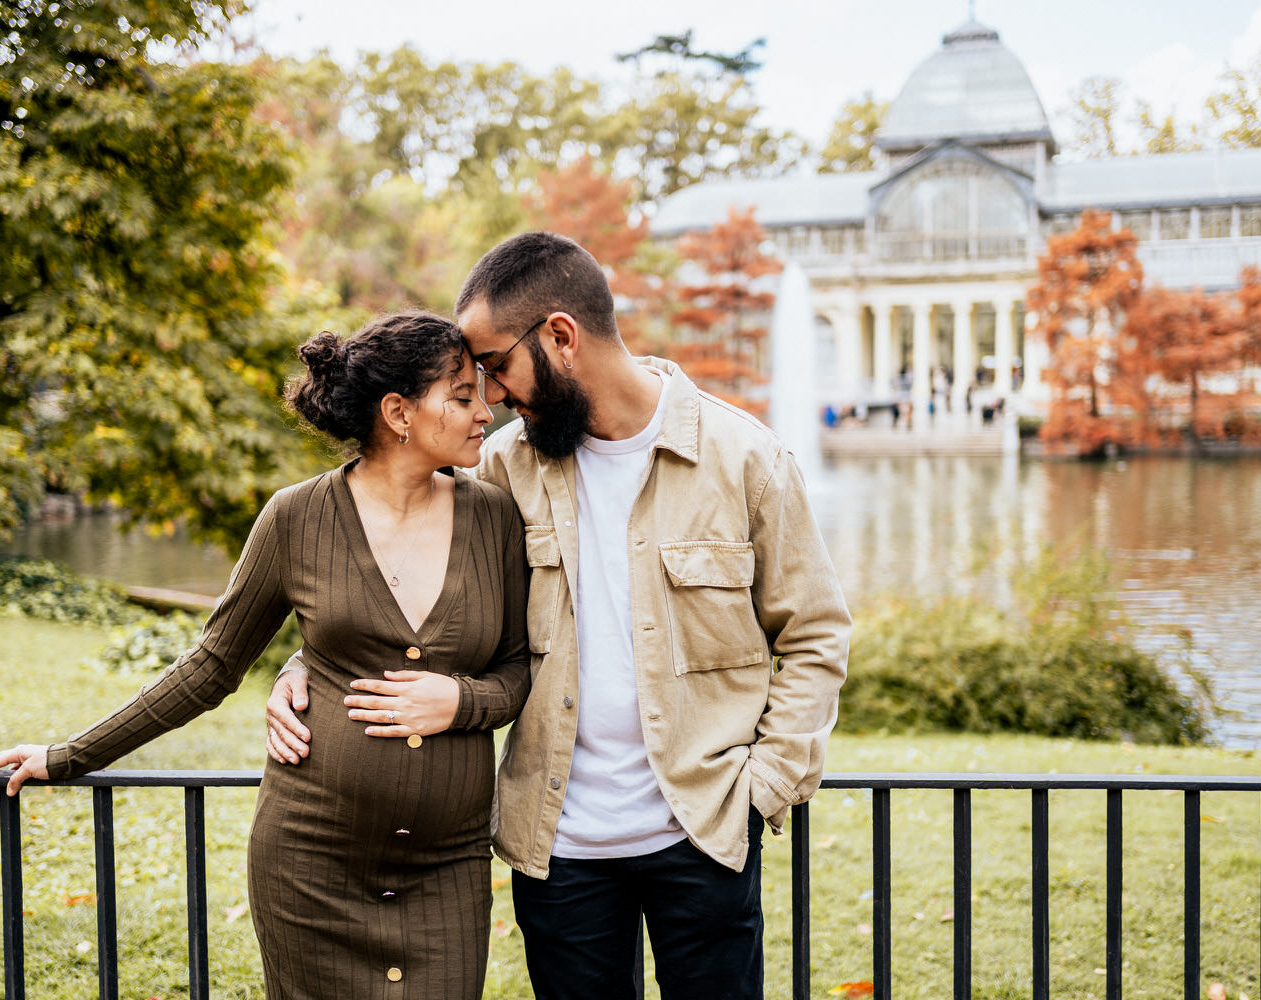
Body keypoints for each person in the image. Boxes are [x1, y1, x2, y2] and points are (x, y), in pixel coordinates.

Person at [267, 234, 852, 1000]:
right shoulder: (503, 472)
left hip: (705, 836)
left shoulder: (745, 459)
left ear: (562, 338)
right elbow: (403, 587)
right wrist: (305, 664)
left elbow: (813, 634)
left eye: (496, 367)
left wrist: (765, 786)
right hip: (562, 855)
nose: (493, 396)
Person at [0, 313, 531, 1000]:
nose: (486, 411)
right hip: (311, 868)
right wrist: (69, 755)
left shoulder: (494, 518)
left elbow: (517, 671)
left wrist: (462, 702)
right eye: (463, 395)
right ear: (398, 414)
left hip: (447, 868)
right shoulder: (296, 519)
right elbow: (211, 666)